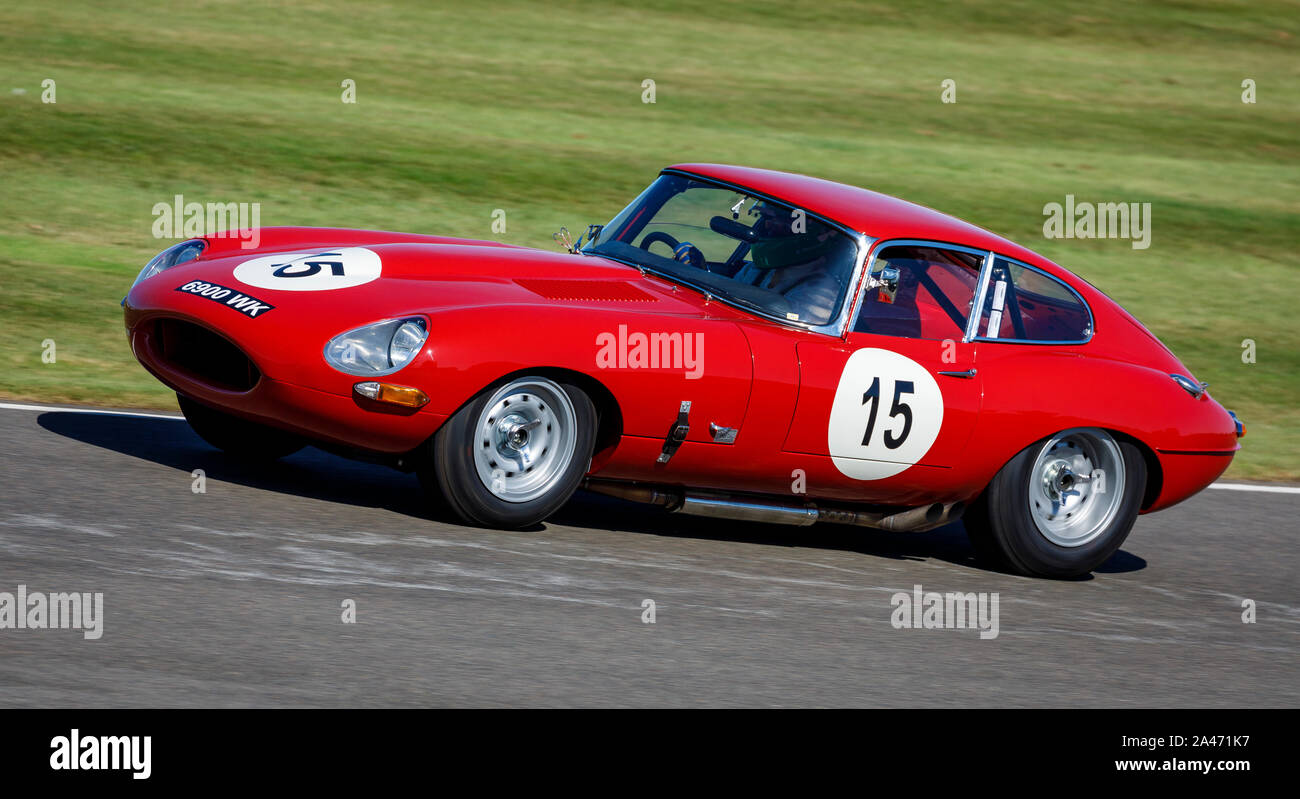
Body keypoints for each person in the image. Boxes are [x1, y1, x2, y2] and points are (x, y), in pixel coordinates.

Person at [733, 202, 846, 325]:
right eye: (765, 218)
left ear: (806, 231)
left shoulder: (821, 290)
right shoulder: (754, 269)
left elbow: (784, 333)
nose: (767, 225)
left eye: (778, 221)